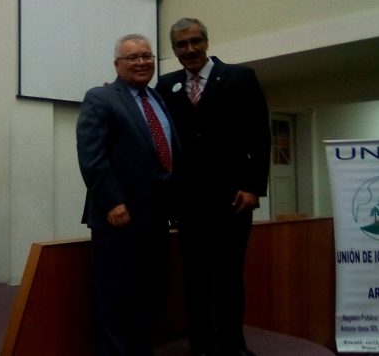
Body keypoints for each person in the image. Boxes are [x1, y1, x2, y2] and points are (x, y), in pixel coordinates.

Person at [156, 18, 271, 356]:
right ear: (174, 49)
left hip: (233, 199)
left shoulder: (240, 77)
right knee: (195, 279)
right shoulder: (167, 85)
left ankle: (233, 344)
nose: (189, 50)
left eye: (195, 42)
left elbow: (260, 137)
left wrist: (253, 187)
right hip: (189, 204)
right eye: (181, 45)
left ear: (206, 42)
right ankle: (202, 344)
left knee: (230, 277)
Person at [76, 34, 180, 356]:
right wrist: (113, 202)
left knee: (150, 295)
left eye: (147, 56)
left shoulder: (159, 99)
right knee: (115, 298)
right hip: (117, 218)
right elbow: (92, 158)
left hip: (156, 218)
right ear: (117, 64)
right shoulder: (101, 97)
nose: (141, 62)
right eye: (133, 57)